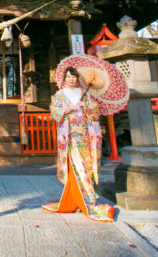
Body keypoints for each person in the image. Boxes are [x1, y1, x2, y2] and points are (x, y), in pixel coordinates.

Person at [42, 66, 115, 222]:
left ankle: (84, 194)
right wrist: (68, 108)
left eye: (74, 77)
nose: (71, 79)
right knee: (77, 163)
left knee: (86, 162)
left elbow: (94, 112)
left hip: (84, 134)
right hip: (70, 135)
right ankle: (87, 194)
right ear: (64, 79)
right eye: (68, 77)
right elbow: (54, 111)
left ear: (77, 79)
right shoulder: (60, 95)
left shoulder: (84, 94)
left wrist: (86, 106)